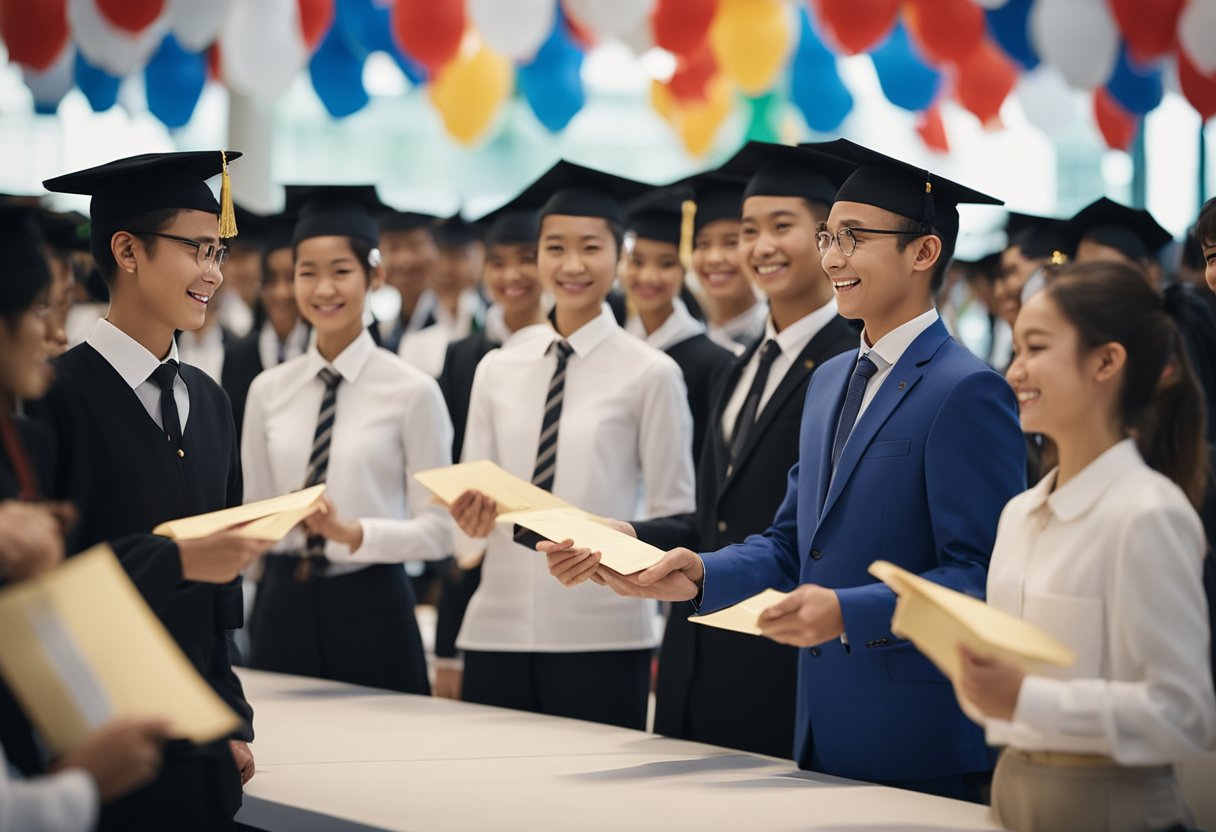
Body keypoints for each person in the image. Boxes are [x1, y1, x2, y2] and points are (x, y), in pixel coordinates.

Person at [568, 141, 1027, 799]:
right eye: (827, 237)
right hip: (816, 721)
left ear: (923, 253)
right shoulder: (831, 378)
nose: (832, 257)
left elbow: (980, 575)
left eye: (854, 237)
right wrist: (696, 572)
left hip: (918, 734)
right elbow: (789, 543)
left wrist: (849, 611)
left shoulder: (966, 389)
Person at [550, 146, 856, 757]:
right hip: (699, 648)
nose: (760, 246)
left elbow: (810, 532)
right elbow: (714, 515)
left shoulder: (852, 363)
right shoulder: (736, 369)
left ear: (827, 240)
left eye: (781, 227)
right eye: (749, 231)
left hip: (780, 651)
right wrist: (631, 536)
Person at [35, 151, 269, 831]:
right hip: (96, 735)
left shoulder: (213, 402)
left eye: (218, 252)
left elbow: (220, 599)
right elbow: (46, 585)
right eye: (197, 249)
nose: (214, 273)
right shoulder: (53, 398)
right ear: (127, 250)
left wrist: (229, 715)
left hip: (198, 738)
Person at [958, 261, 1216, 831]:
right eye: (1016, 348)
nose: (1014, 371)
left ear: (1106, 361)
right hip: (1012, 789)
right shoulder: (1019, 512)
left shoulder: (1147, 512)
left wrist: (1028, 699)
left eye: (1036, 348)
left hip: (1112, 803)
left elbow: (1185, 715)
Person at [448, 161, 696, 730]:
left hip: (604, 633)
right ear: (537, 257)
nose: (573, 264)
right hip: (496, 624)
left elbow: (672, 512)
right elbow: (468, 508)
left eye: (591, 247)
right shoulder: (497, 367)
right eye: (555, 248)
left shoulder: (651, 373)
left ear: (621, 257)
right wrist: (467, 516)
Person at [241, 185, 453, 694]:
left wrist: (353, 533)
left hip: (374, 604)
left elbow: (442, 531)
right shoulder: (268, 390)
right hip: (281, 605)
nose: (323, 289)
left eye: (341, 271)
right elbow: (255, 510)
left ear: (374, 276)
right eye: (306, 272)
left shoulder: (412, 391)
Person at [431, 202, 549, 700]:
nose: (511, 275)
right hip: (478, 551)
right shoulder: (465, 355)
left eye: (525, 259)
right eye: (497, 263)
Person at [622, 191, 735, 459]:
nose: (648, 276)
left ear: (683, 269)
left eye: (666, 264)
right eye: (637, 262)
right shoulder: (614, 339)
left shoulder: (714, 361)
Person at [221, 212, 309, 443]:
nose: (282, 292)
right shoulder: (236, 356)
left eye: (293, 278)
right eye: (271, 279)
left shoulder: (321, 349)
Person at [677, 174, 767, 354]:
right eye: (702, 244)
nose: (714, 258)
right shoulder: (685, 336)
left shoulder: (768, 337)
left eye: (731, 243)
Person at [398, 213, 488, 377]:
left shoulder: (492, 320)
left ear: (478, 260)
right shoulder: (409, 324)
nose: (445, 268)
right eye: (438, 256)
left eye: (456, 256)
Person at [376, 209, 439, 353]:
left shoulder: (458, 318)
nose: (405, 260)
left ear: (435, 249)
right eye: (393, 247)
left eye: (415, 245)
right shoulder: (380, 323)